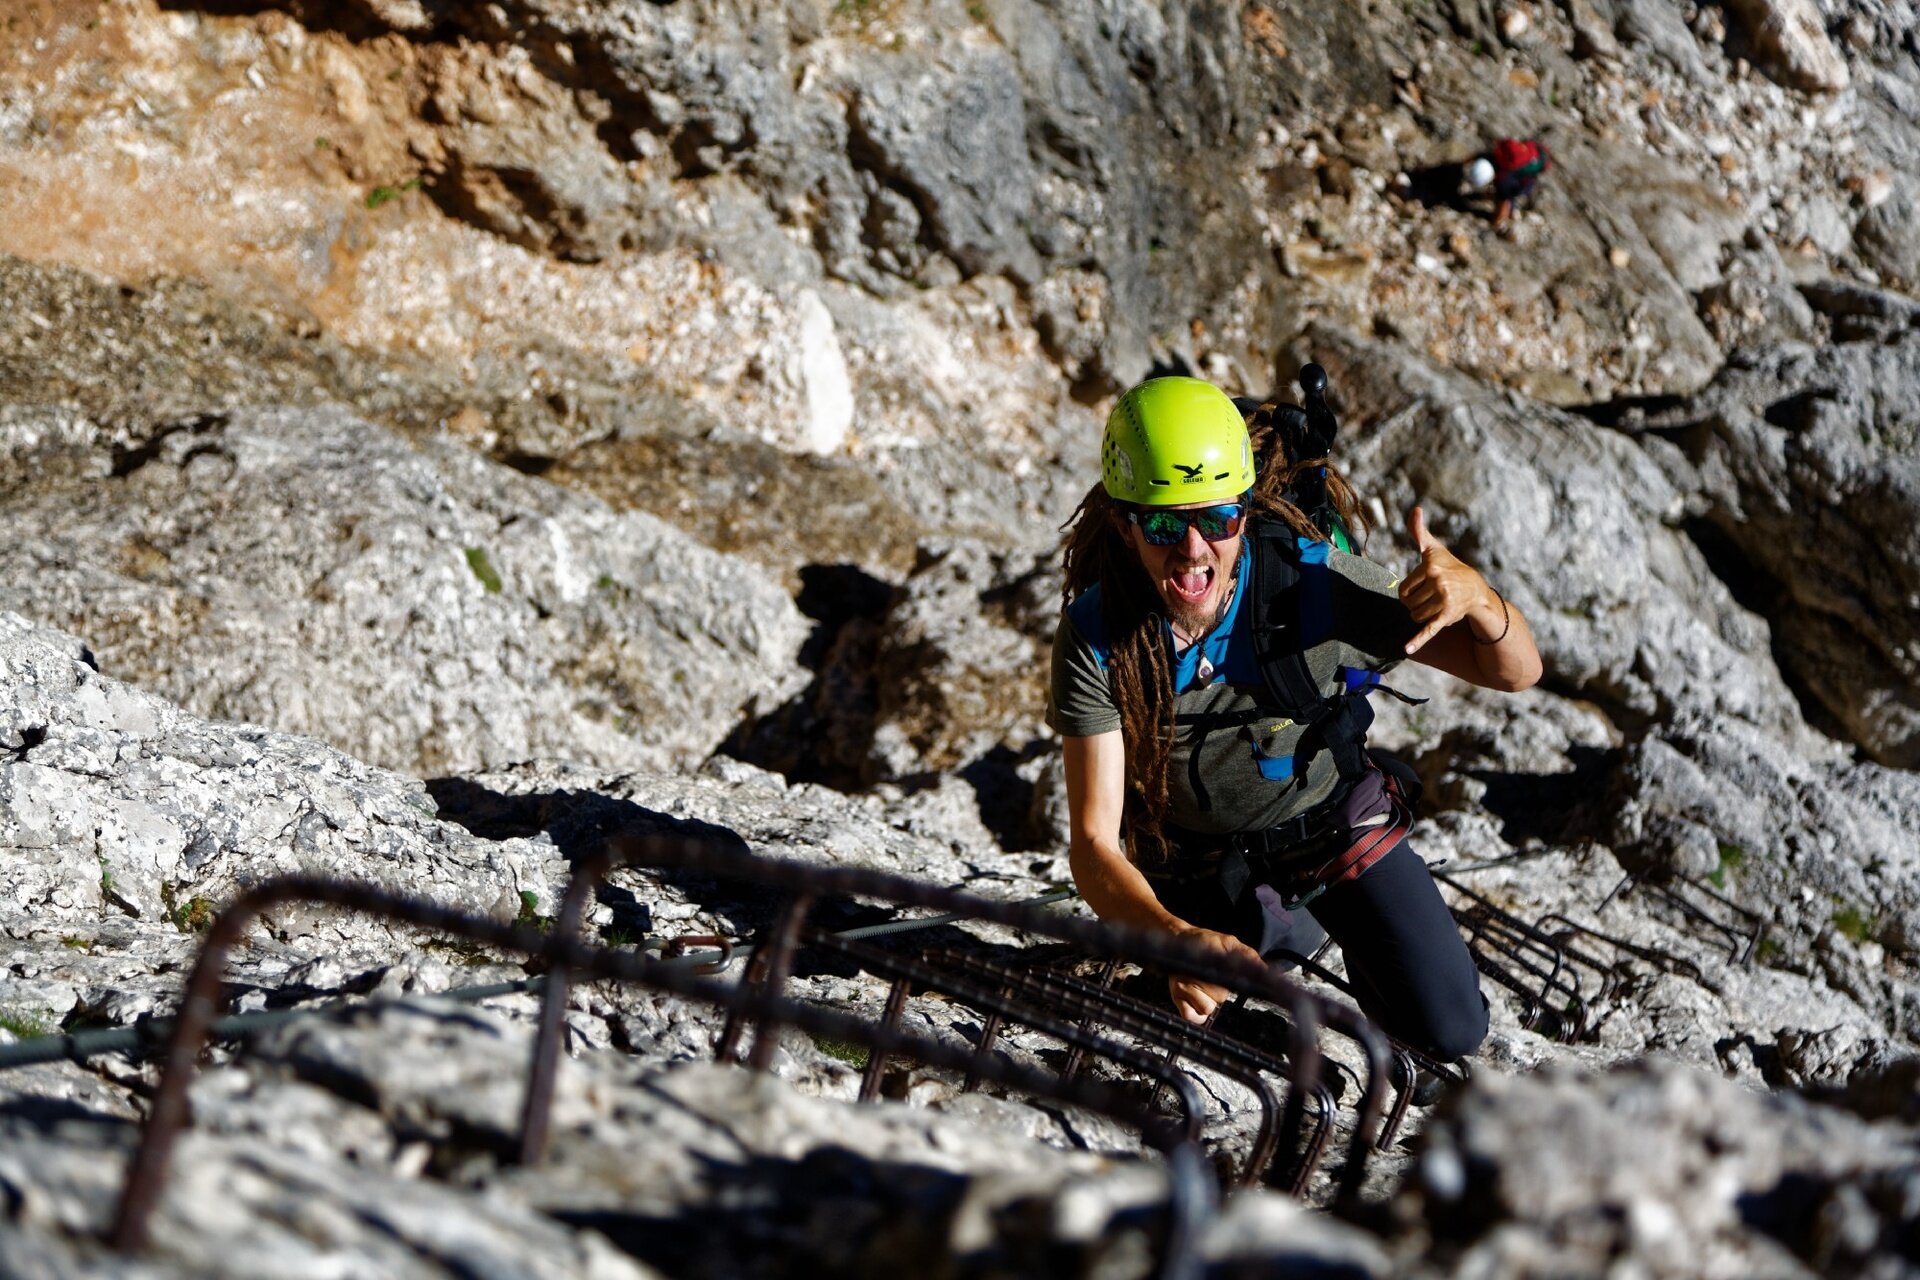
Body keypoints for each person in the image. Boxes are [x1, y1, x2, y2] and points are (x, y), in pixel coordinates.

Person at [1046, 375, 1542, 1068]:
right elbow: (1095, 842)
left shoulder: (1312, 588)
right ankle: (1278, 921)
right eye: (1163, 524)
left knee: (1451, 1030)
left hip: (1330, 827)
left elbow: (1515, 671)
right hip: (1194, 856)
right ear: (1126, 525)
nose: (1192, 550)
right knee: (1191, 1008)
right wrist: (1168, 936)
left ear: (1244, 514)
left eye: (1216, 519)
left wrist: (1484, 602)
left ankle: (1300, 916)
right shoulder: (1100, 634)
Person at [1477, 137, 1551, 230]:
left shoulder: (1503, 182)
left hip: (1523, 182)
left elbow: (1504, 201)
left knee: (1506, 197)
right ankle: (1494, 203)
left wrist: (1496, 224)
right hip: (1534, 154)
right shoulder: (1499, 153)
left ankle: (1508, 215)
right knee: (1503, 194)